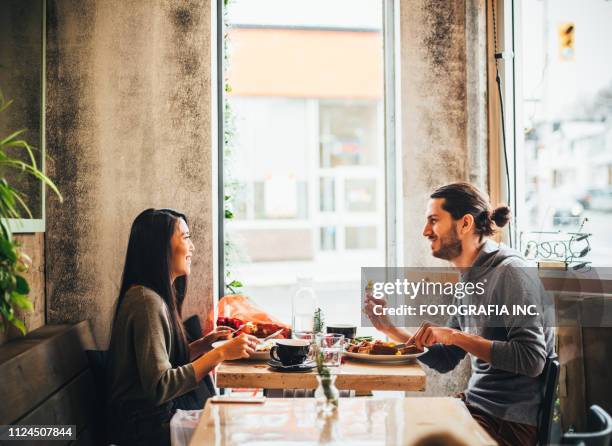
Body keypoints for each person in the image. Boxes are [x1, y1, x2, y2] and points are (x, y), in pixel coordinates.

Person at [364, 182, 554, 446]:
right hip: (475, 407)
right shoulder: (470, 278)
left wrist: (455, 336)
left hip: (508, 423)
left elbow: (532, 359)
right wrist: (391, 330)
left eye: (433, 221)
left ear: (465, 224)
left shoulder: (511, 272)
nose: (425, 231)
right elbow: (446, 359)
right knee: (391, 429)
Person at [106, 208, 258, 445]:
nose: (192, 247)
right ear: (160, 248)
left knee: (240, 420)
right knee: (239, 429)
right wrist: (220, 354)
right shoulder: (146, 302)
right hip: (144, 427)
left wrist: (203, 345)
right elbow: (160, 386)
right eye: (185, 237)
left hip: (153, 418)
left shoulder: (152, 297)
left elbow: (158, 363)